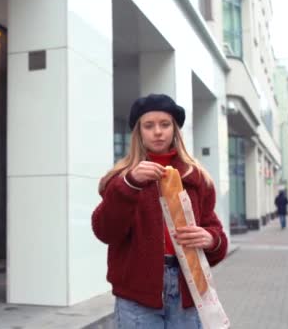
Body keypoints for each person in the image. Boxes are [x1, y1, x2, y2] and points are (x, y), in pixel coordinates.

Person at [91, 94, 228, 328]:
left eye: (165, 124)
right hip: (136, 294)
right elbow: (105, 231)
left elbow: (216, 237)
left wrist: (211, 239)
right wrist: (130, 184)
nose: (157, 131)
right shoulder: (121, 179)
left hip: (188, 290)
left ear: (175, 130)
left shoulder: (195, 178)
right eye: (149, 125)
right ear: (138, 132)